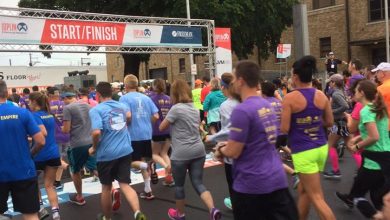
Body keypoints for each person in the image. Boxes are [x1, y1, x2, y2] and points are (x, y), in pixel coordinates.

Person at [215, 61, 298, 220]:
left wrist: (220, 150)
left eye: (234, 79)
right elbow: (258, 139)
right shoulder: (267, 105)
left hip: (252, 185)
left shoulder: (243, 110)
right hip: (276, 180)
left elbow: (233, 151)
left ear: (241, 81)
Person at [281, 56, 336, 220]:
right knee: (305, 192)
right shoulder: (321, 95)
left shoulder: (290, 98)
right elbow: (330, 122)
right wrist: (312, 122)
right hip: (320, 147)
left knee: (317, 198)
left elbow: (284, 128)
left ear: (296, 77)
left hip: (303, 151)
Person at [159, 79, 221, 220]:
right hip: (198, 150)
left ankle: (180, 214)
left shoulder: (175, 109)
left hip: (181, 153)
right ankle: (212, 209)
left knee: (179, 186)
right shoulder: (193, 107)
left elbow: (162, 127)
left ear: (173, 93)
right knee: (198, 183)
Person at [88, 82, 147, 220]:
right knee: (125, 185)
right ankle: (137, 212)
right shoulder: (121, 105)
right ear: (111, 92)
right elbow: (128, 116)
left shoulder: (96, 110)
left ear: (98, 95)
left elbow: (96, 133)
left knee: (106, 188)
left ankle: (107, 218)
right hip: (125, 150)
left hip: (106, 154)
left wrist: (94, 148)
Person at [335, 80, 390, 219]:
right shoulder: (378, 108)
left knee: (357, 197)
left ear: (362, 93)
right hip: (385, 158)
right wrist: (358, 138)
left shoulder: (366, 111)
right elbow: (380, 132)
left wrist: (356, 146)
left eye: (356, 90)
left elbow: (374, 136)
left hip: (373, 162)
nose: (354, 93)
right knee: (378, 198)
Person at [0, 80, 45, 220]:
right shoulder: (22, 113)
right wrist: (30, 154)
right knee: (31, 214)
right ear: (7, 93)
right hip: (24, 171)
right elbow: (41, 141)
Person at [120, 74, 159, 200]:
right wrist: (147, 123)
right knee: (142, 160)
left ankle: (147, 166)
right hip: (146, 134)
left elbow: (129, 116)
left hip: (133, 135)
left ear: (125, 85)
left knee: (129, 162)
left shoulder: (124, 99)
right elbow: (156, 116)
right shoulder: (146, 97)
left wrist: (124, 125)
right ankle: (148, 190)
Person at [205, 72, 240, 210]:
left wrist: (212, 138)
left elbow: (230, 129)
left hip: (232, 149)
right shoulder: (243, 100)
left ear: (224, 88)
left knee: (233, 184)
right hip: (246, 150)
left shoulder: (226, 105)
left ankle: (236, 205)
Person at [29, 92, 62, 220]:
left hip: (38, 155)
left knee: (34, 183)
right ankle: (56, 213)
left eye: (30, 101)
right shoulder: (49, 115)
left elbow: (43, 132)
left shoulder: (34, 116)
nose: (28, 104)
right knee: (49, 185)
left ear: (35, 102)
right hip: (53, 153)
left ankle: (41, 208)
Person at [323, 74, 361, 179]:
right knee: (350, 146)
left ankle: (336, 171)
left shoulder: (336, 94)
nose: (329, 84)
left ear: (334, 83)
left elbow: (345, 106)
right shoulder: (340, 91)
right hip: (341, 122)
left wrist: (331, 111)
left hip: (339, 123)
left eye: (330, 82)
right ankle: (362, 168)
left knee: (330, 145)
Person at [62, 92, 97, 205]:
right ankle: (111, 189)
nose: (63, 102)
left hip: (77, 143)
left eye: (63, 100)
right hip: (91, 141)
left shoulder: (67, 108)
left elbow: (66, 130)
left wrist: (60, 128)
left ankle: (80, 197)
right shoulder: (87, 105)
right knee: (94, 168)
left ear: (67, 98)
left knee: (75, 170)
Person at [149, 79, 174, 186]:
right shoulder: (169, 99)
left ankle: (166, 166)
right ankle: (169, 178)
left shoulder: (151, 99)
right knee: (164, 153)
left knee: (154, 154)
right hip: (168, 129)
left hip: (156, 130)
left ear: (154, 86)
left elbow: (152, 115)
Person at [48, 87, 68, 189]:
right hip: (66, 134)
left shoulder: (48, 106)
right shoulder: (65, 104)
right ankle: (57, 181)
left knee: (56, 159)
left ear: (50, 95)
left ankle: (55, 181)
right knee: (61, 158)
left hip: (55, 136)